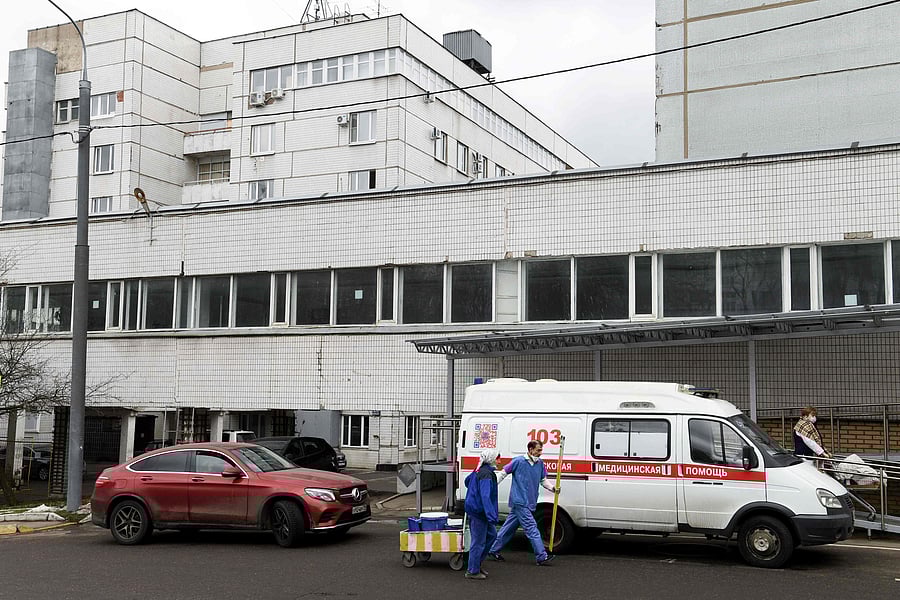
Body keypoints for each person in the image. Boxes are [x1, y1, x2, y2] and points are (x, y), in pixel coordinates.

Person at [487, 440, 558, 566]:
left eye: (541, 450)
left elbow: (543, 480)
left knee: (508, 528)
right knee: (532, 528)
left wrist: (553, 488)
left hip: (529, 501)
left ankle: (492, 549)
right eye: (538, 450)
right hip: (519, 501)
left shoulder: (540, 464)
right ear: (530, 449)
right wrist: (491, 485)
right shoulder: (518, 461)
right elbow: (503, 473)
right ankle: (541, 556)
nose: (540, 453)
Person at [463, 448, 500, 580]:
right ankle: (472, 570)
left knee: (491, 536)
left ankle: (476, 565)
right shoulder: (486, 474)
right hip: (479, 512)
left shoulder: (479, 470)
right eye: (497, 458)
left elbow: (467, 481)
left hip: (476, 509)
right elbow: (485, 496)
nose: (499, 461)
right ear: (491, 459)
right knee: (479, 541)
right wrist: (492, 516)